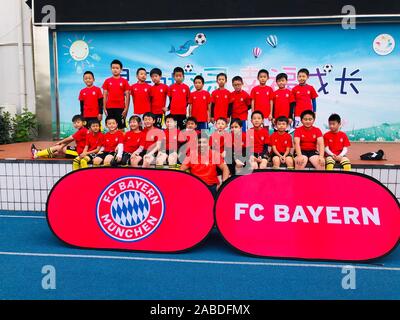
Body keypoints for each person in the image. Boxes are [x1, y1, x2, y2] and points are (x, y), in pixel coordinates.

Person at [102, 59, 130, 130]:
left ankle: (121, 141)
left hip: (121, 108)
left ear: (121, 69)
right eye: (113, 68)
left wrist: (126, 109)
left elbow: (128, 96)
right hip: (110, 107)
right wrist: (104, 107)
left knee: (121, 127)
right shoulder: (107, 81)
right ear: (111, 69)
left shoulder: (124, 81)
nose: (115, 70)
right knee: (111, 126)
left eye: (117, 68)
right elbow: (104, 95)